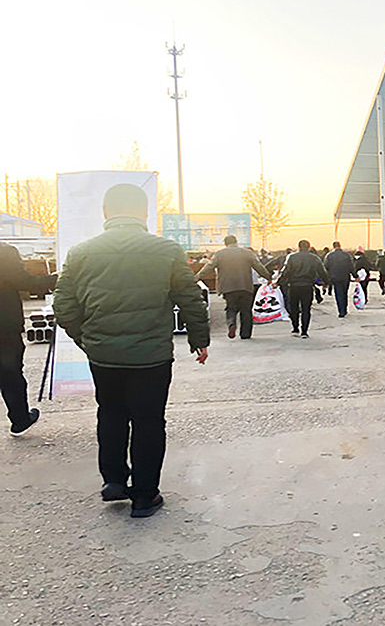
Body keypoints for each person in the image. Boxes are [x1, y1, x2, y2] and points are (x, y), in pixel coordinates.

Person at [53, 184, 210, 518]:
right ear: (143, 212)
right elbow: (191, 298)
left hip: (104, 356)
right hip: (151, 357)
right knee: (148, 421)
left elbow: (62, 303)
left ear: (106, 212)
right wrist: (199, 338)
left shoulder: (82, 252)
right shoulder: (166, 250)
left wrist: (87, 338)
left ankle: (113, 480)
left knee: (110, 413)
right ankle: (144, 496)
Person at [0, 243, 57, 436]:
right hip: (4, 327)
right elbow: (26, 282)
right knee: (10, 374)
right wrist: (57, 279)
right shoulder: (4, 252)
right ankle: (20, 420)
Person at [196, 235, 270, 340]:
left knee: (231, 308)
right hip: (245, 286)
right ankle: (245, 334)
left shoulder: (220, 254)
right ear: (236, 242)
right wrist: (268, 277)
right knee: (246, 310)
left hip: (228, 287)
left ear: (225, 243)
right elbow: (258, 267)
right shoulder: (247, 253)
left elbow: (209, 267)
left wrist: (196, 278)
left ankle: (231, 323)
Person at [278, 240, 329, 338]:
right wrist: (326, 282)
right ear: (309, 247)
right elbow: (322, 271)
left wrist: (279, 282)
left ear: (299, 247)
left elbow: (286, 271)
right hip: (307, 285)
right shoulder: (314, 258)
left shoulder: (292, 257)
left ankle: (295, 328)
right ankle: (304, 331)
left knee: (294, 308)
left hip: (294, 286)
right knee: (306, 309)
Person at [324, 241, 354, 318]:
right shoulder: (346, 255)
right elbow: (351, 266)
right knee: (345, 293)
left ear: (333, 246)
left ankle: (341, 311)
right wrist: (355, 275)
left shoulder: (329, 255)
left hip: (335, 277)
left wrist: (326, 278)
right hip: (345, 276)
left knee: (338, 294)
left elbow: (325, 267)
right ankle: (345, 308)